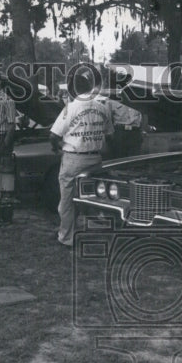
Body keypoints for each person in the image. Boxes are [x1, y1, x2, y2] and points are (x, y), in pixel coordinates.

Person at [49, 70, 114, 246]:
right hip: (95, 159)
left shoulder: (70, 108)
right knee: (94, 198)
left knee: (67, 199)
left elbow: (53, 135)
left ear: (73, 89)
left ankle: (67, 237)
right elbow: (110, 135)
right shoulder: (102, 107)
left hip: (74, 158)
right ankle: (97, 235)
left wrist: (58, 147)